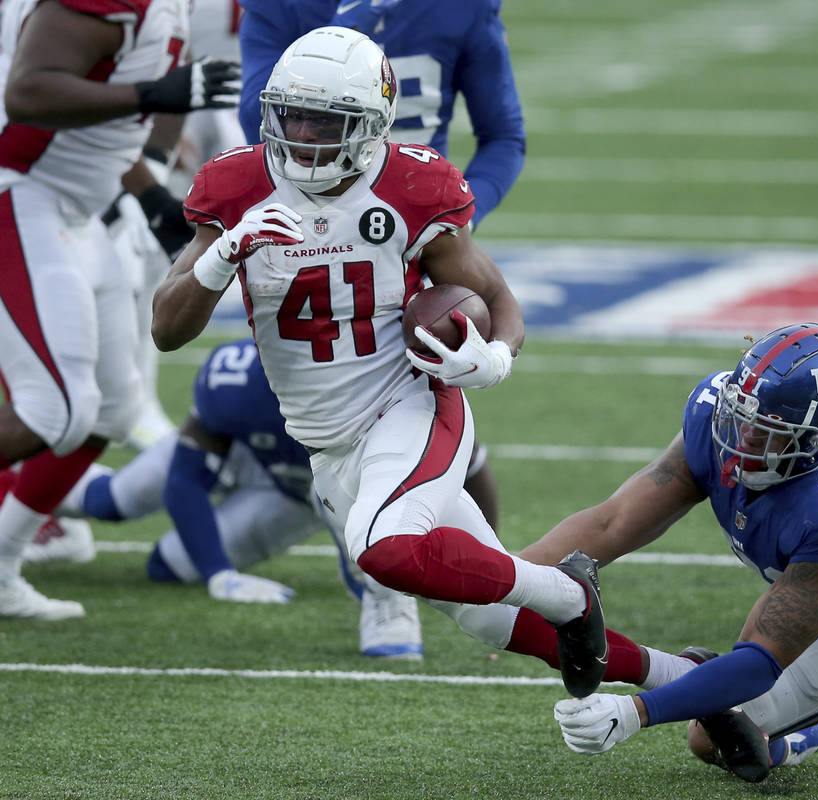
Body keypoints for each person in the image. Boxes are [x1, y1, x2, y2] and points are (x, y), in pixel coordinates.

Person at [150, 27, 623, 698]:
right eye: (294, 115)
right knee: (488, 621)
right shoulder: (234, 186)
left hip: (407, 403)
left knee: (387, 552)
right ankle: (686, 681)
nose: (307, 135)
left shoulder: (412, 182)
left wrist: (494, 356)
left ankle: (567, 593)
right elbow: (166, 330)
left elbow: (495, 298)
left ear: (371, 125)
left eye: (328, 120)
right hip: (324, 439)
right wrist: (222, 254)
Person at [523, 323, 818, 779]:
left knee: (711, 737)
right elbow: (613, 522)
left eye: (771, 430)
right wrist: (512, 577)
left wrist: (634, 713)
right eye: (742, 414)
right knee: (716, 701)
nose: (743, 438)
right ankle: (727, 693)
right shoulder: (718, 419)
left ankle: (800, 738)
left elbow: (758, 659)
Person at [0, 0, 239, 620]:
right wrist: (155, 89)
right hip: (23, 192)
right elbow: (28, 92)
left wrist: (153, 194)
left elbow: (115, 112)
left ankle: (1, 564)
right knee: (56, 408)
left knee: (109, 408)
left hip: (81, 205)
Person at [34, 337, 425, 659]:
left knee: (169, 565)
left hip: (294, 492)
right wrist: (220, 575)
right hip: (239, 449)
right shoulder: (237, 378)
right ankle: (23, 485)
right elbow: (183, 481)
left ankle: (384, 604)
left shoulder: (379, 382)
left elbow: (467, 463)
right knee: (113, 501)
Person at [235, 0, 524, 228]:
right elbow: (257, 121)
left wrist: (462, 219)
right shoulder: (281, 6)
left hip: (417, 217)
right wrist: (343, 33)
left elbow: (503, 136)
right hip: (305, 214)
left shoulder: (460, 7)